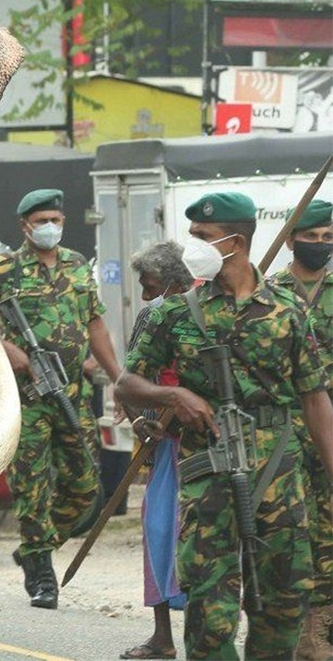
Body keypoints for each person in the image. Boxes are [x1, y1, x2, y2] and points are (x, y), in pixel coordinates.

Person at [117, 192, 333, 660]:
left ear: (236, 241)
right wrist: (173, 395)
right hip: (208, 476)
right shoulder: (175, 313)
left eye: (203, 237)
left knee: (281, 603)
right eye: (193, 234)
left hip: (278, 475)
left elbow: (315, 399)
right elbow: (125, 383)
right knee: (210, 615)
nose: (191, 245)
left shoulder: (288, 311)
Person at [0, 188, 122, 609]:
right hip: (27, 399)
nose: (50, 228)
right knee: (32, 487)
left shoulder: (77, 265)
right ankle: (41, 574)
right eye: (42, 221)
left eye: (56, 220)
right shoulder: (4, 270)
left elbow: (95, 325)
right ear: (25, 226)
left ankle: (36, 546)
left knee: (85, 484)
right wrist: (10, 351)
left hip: (72, 393)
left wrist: (118, 378)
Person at [119, 241, 194, 661]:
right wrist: (139, 420)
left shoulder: (212, 310)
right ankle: (162, 637)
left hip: (207, 445)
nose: (145, 296)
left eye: (150, 286)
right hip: (165, 446)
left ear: (172, 281)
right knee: (159, 531)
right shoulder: (154, 315)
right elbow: (130, 380)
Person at [269, 198, 333, 660]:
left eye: (327, 237)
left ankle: (321, 631)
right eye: (311, 237)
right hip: (285, 433)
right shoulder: (271, 292)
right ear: (291, 239)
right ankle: (296, 631)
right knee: (293, 532)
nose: (319, 245)